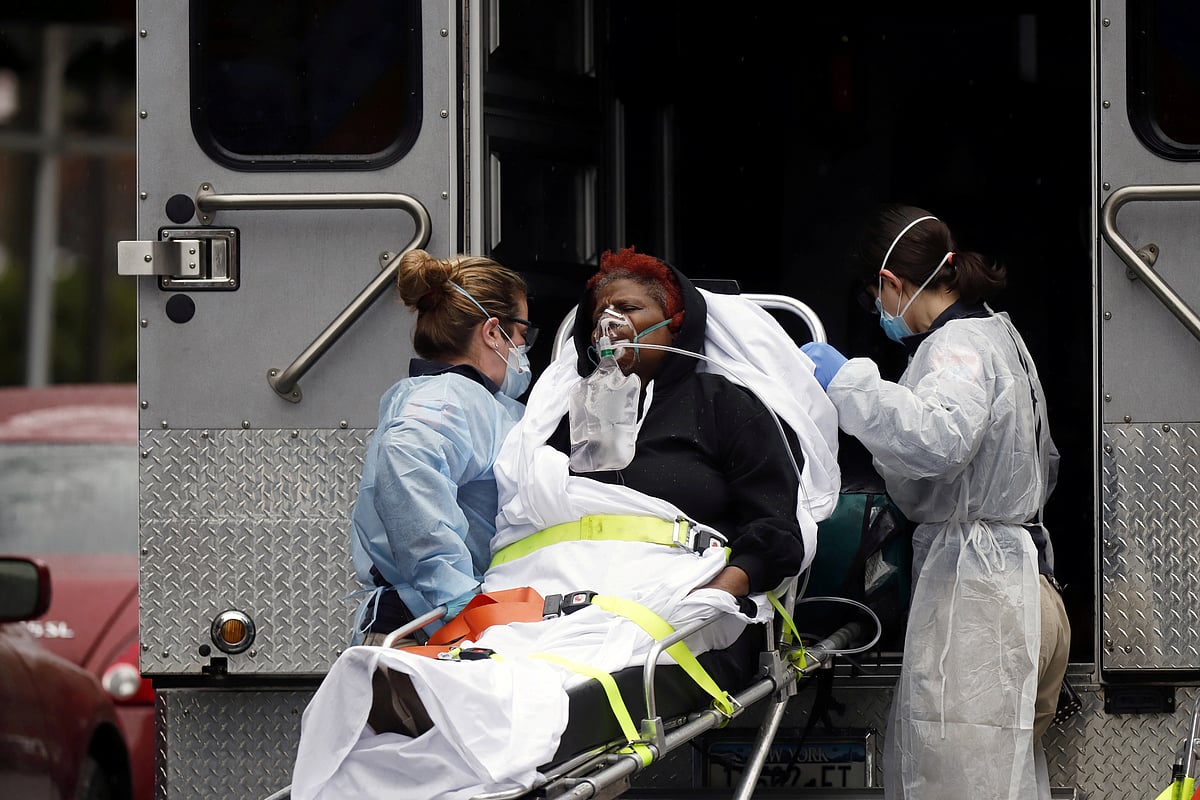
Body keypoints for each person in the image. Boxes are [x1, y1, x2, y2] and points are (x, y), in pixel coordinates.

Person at [290, 247, 840, 799]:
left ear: (677, 322)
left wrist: (722, 590)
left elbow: (776, 532)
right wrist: (472, 601)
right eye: (601, 310)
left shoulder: (724, 403)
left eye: (628, 308)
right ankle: (446, 701)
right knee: (504, 655)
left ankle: (462, 712)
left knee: (563, 673)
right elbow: (524, 507)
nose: (610, 324)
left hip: (667, 592)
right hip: (546, 590)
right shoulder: (556, 416)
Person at [800, 205, 1071, 800]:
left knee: (955, 788)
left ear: (891, 284)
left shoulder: (956, 348)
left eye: (878, 296)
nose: (881, 313)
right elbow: (1042, 461)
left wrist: (849, 384)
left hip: (981, 605)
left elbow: (939, 441)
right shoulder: (1001, 334)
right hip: (1024, 590)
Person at [348, 248, 534, 647]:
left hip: (439, 625)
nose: (523, 347)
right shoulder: (449, 399)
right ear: (492, 332)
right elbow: (408, 458)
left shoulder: (455, 398)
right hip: (431, 630)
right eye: (522, 334)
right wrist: (459, 599)